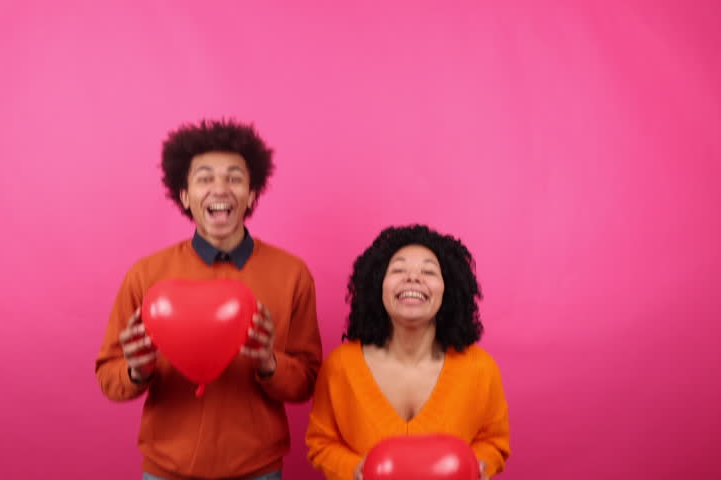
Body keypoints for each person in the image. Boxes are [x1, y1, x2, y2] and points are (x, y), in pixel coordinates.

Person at [95, 118, 323, 480]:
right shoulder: (145, 275)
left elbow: (308, 380)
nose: (220, 188)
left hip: (257, 470)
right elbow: (109, 375)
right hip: (166, 470)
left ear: (252, 194)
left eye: (234, 177)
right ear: (185, 196)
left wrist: (268, 363)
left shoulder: (292, 273)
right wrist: (136, 370)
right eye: (204, 178)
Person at [305, 225, 510, 480]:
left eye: (429, 271)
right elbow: (321, 442)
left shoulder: (481, 368)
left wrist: (480, 465)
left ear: (449, 289)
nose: (413, 278)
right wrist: (354, 470)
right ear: (378, 285)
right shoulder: (340, 366)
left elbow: (494, 441)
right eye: (398, 269)